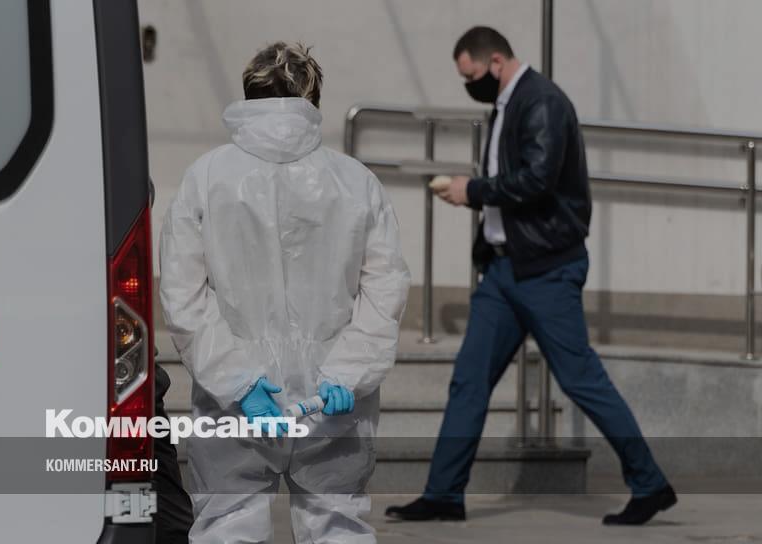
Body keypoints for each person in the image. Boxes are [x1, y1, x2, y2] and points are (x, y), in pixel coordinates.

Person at [385, 27, 676, 526]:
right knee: (469, 380)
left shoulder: (542, 102)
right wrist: (475, 197)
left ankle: (650, 484)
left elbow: (539, 179)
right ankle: (444, 494)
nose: (469, 85)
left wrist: (473, 190)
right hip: (503, 271)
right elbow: (516, 181)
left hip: (546, 270)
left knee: (580, 379)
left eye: (472, 76)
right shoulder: (507, 104)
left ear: (496, 61)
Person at [159, 41, 410, 543]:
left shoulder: (206, 178)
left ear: (247, 96)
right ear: (313, 100)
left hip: (235, 401)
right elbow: (385, 290)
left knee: (228, 526)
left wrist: (239, 383)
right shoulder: (356, 182)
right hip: (331, 399)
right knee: (337, 528)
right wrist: (349, 372)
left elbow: (183, 295)